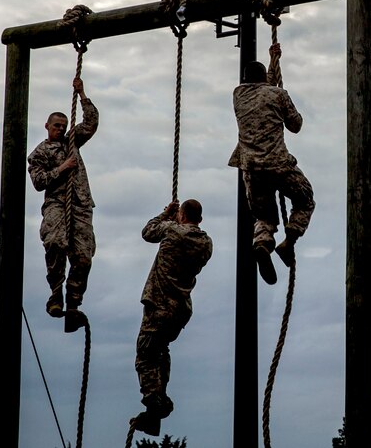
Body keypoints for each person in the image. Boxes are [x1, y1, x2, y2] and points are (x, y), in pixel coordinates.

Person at [228, 44, 315, 286]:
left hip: (252, 168)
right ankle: (289, 242)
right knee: (305, 198)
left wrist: (273, 60)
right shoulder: (278, 95)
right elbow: (295, 125)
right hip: (277, 164)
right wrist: (283, 94)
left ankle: (262, 244)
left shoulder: (238, 95)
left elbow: (263, 88)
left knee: (264, 216)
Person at [132, 199, 212, 435]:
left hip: (160, 304)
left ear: (182, 215)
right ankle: (158, 402)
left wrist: (165, 214)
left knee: (145, 356)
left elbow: (147, 233)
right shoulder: (206, 243)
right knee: (161, 350)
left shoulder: (172, 230)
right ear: (200, 219)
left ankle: (155, 403)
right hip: (180, 309)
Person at [27, 76, 98, 327]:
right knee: (55, 242)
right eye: (56, 125)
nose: (60, 129)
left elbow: (91, 123)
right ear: (47, 125)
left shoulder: (72, 141)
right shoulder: (40, 153)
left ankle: (74, 303)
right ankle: (55, 294)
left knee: (83, 257)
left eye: (63, 125)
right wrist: (63, 168)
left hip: (80, 204)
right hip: (57, 202)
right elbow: (38, 181)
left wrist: (82, 94)